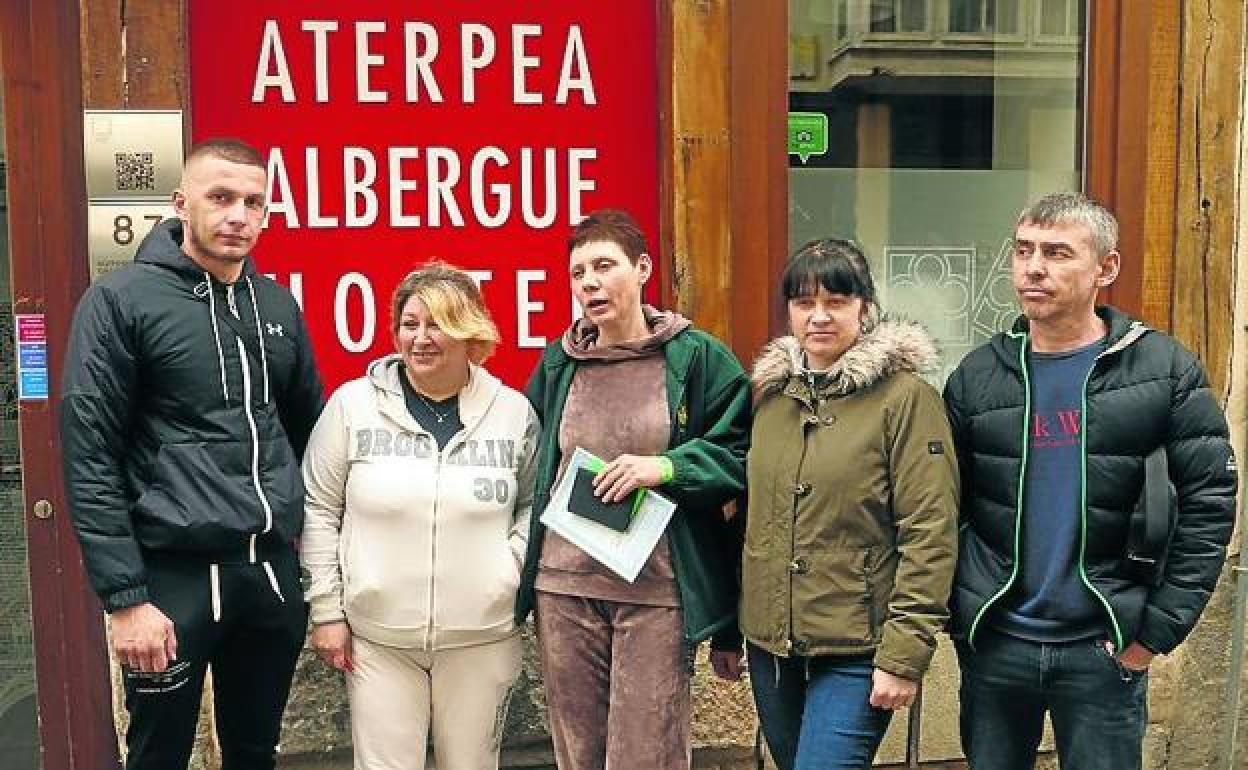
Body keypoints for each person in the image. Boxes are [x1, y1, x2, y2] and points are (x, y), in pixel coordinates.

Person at [943, 192, 1238, 770]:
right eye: (1023, 250)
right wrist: (961, 614)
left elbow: (1209, 504)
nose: (1033, 268)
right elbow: (940, 504)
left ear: (1106, 268)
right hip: (998, 645)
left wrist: (1152, 634)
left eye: (1057, 253)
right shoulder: (980, 375)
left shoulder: (1165, 371)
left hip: (1104, 647)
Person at [59, 137, 325, 770]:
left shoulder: (277, 306)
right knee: (158, 755)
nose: (238, 215)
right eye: (221, 197)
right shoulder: (122, 301)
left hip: (267, 576)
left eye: (254, 203)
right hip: (169, 582)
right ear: (182, 203)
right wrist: (124, 600)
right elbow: (90, 452)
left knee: (256, 752)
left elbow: (310, 436)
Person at [514, 208, 751, 770]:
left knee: (646, 754)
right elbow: (526, 452)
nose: (589, 282)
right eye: (577, 273)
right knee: (579, 753)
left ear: (641, 268)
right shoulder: (559, 362)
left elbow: (741, 452)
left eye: (604, 265)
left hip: (655, 590)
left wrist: (666, 467)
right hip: (564, 586)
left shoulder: (695, 357)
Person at [727, 238, 959, 770]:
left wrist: (904, 655)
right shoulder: (772, 401)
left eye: (837, 302)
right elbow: (748, 518)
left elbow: (930, 530)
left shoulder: (905, 400)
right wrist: (732, 629)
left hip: (859, 648)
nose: (820, 317)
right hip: (773, 650)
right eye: (805, 303)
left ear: (866, 309)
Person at [301, 263, 539, 770]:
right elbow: (320, 507)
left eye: (438, 324)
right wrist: (326, 609)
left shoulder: (513, 412)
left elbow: (533, 505)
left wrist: (509, 569)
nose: (422, 338)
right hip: (379, 639)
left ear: (469, 331)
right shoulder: (352, 407)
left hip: (483, 636)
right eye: (410, 324)